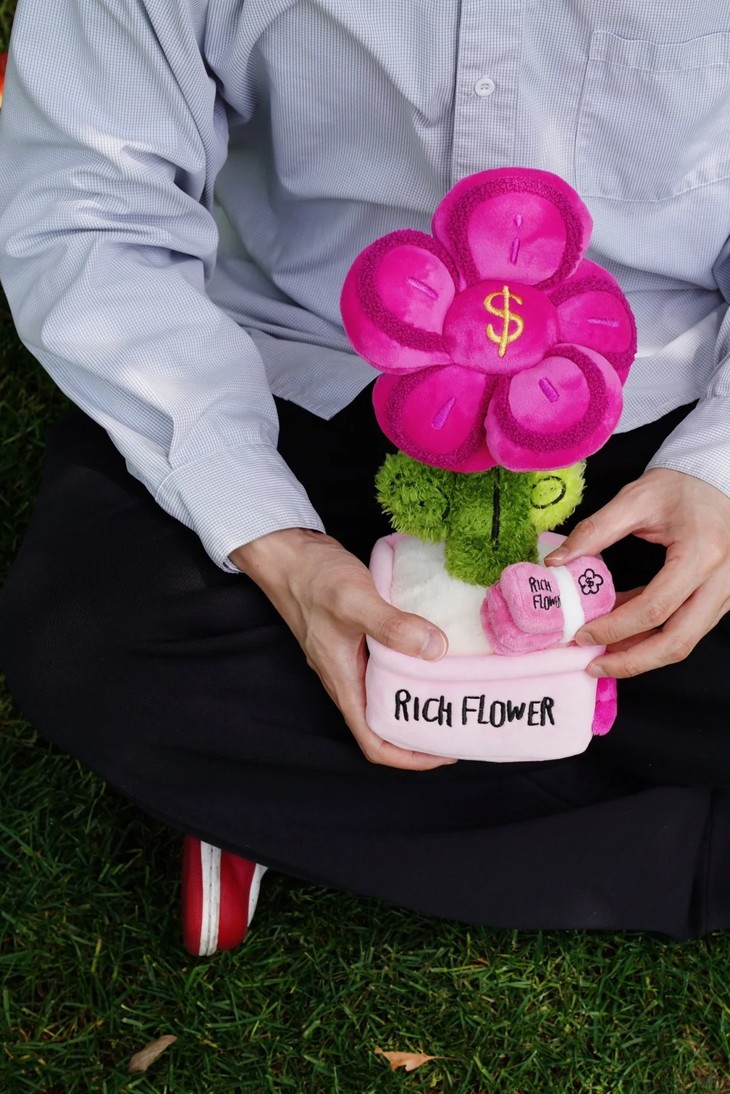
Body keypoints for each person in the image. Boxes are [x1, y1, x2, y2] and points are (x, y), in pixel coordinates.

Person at [0, 0, 729, 952]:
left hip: (658, 394)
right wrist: (276, 543)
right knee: (89, 638)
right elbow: (90, 214)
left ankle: (293, 790)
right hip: (307, 369)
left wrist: (718, 470)